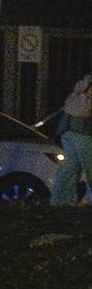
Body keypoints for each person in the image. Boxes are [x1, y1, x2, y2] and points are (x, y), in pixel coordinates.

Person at [53, 72, 92, 206]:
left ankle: (61, 202)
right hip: (83, 132)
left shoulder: (84, 82)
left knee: (70, 168)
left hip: (68, 129)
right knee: (89, 166)